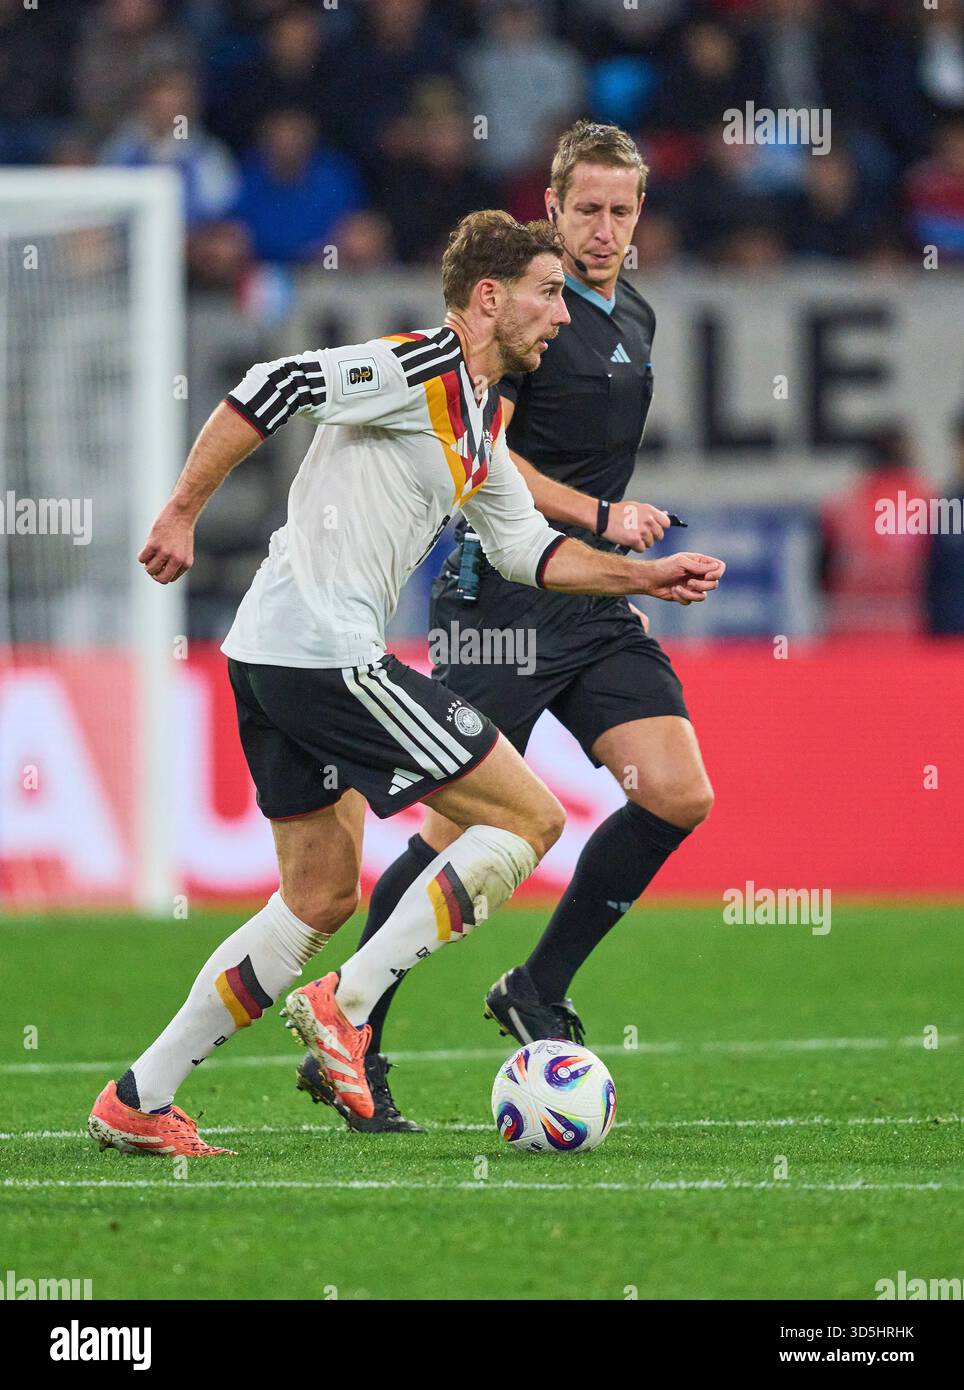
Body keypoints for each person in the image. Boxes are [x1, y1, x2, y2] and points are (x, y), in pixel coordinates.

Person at [86, 209, 725, 1156]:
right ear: (489, 298)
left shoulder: (478, 419)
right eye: (549, 294)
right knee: (528, 819)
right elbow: (278, 382)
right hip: (323, 651)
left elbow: (526, 551)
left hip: (266, 653)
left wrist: (643, 577)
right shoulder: (418, 367)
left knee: (317, 896)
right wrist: (181, 511)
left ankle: (140, 1095)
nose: (562, 315)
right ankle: (347, 1007)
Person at [346, 121, 719, 1132]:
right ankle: (354, 1037)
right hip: (496, 602)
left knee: (676, 795)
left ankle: (535, 986)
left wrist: (614, 567)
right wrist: (601, 521)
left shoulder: (629, 311)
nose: (602, 229)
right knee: (461, 824)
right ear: (549, 209)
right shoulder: (517, 315)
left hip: (591, 603)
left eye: (621, 209)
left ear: (640, 213)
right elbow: (485, 454)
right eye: (585, 209)